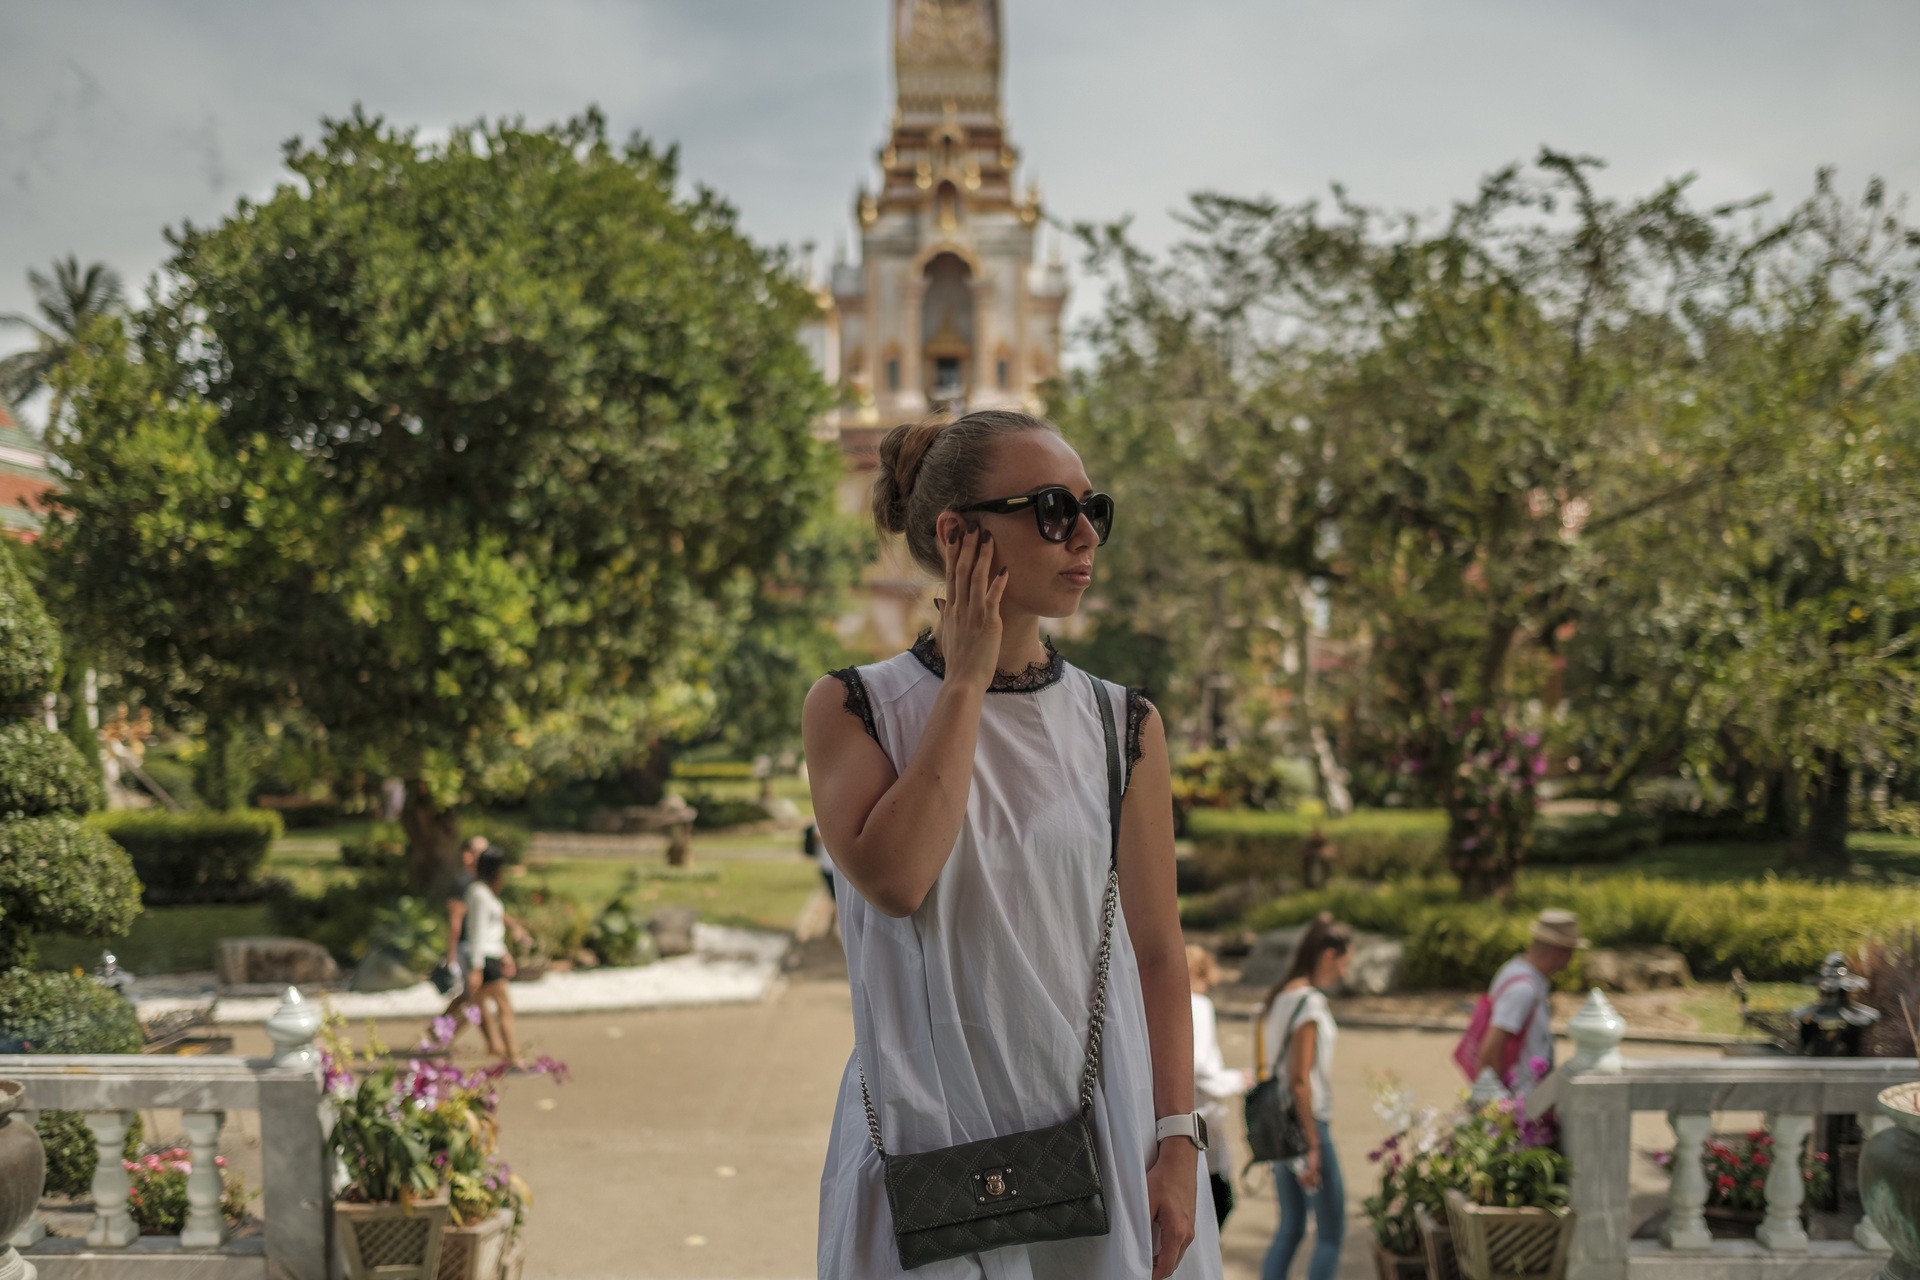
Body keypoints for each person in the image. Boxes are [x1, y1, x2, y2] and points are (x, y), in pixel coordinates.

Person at [805, 409, 1221, 1279]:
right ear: (958, 534)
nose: (1082, 536)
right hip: (927, 1141)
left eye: (1091, 509)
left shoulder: (1123, 725)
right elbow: (898, 878)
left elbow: (1158, 955)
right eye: (1049, 509)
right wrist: (965, 679)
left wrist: (1179, 1142)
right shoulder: (856, 708)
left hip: (1101, 1137)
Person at [1257, 913, 1352, 1280]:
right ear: (1328, 955)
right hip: (1308, 1126)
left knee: (1291, 1227)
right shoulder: (1310, 1004)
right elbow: (1300, 1079)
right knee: (1330, 1234)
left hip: (1281, 1124)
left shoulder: (1278, 996)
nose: (1344, 972)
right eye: (1344, 961)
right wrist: (1313, 1145)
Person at [1477, 909, 1585, 1094]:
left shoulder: (1514, 969)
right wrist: (1498, 1109)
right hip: (1519, 1100)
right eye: (1571, 952)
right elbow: (1490, 1052)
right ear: (1560, 951)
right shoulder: (1523, 990)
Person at [1188, 944, 1251, 1228]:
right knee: (1220, 1198)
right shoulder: (1198, 1005)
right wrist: (1234, 1081)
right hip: (1202, 1113)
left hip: (1178, 1113)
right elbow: (1200, 1063)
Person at [464, 849, 522, 1068]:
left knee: (482, 1006)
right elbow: (478, 932)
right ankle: (514, 1059)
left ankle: (500, 1051)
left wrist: (504, 953)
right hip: (485, 959)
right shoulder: (479, 893)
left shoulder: (483, 892)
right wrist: (476, 967)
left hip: (491, 955)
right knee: (505, 1010)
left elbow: (491, 930)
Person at [437, 836, 488, 1035]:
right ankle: (440, 1033)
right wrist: (451, 954)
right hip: (465, 946)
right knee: (474, 995)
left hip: (473, 944)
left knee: (470, 996)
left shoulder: (478, 882)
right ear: (467, 856)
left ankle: (438, 1032)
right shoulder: (462, 884)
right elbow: (455, 921)